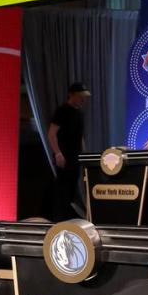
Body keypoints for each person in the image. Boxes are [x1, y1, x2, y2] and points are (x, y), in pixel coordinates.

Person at [47, 82, 90, 220]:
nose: (83, 100)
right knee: (63, 190)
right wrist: (58, 153)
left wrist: (85, 156)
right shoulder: (62, 111)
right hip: (64, 157)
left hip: (76, 157)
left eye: (84, 97)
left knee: (72, 189)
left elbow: (80, 136)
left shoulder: (80, 113)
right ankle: (58, 220)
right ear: (71, 95)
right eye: (80, 96)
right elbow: (52, 133)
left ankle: (68, 219)